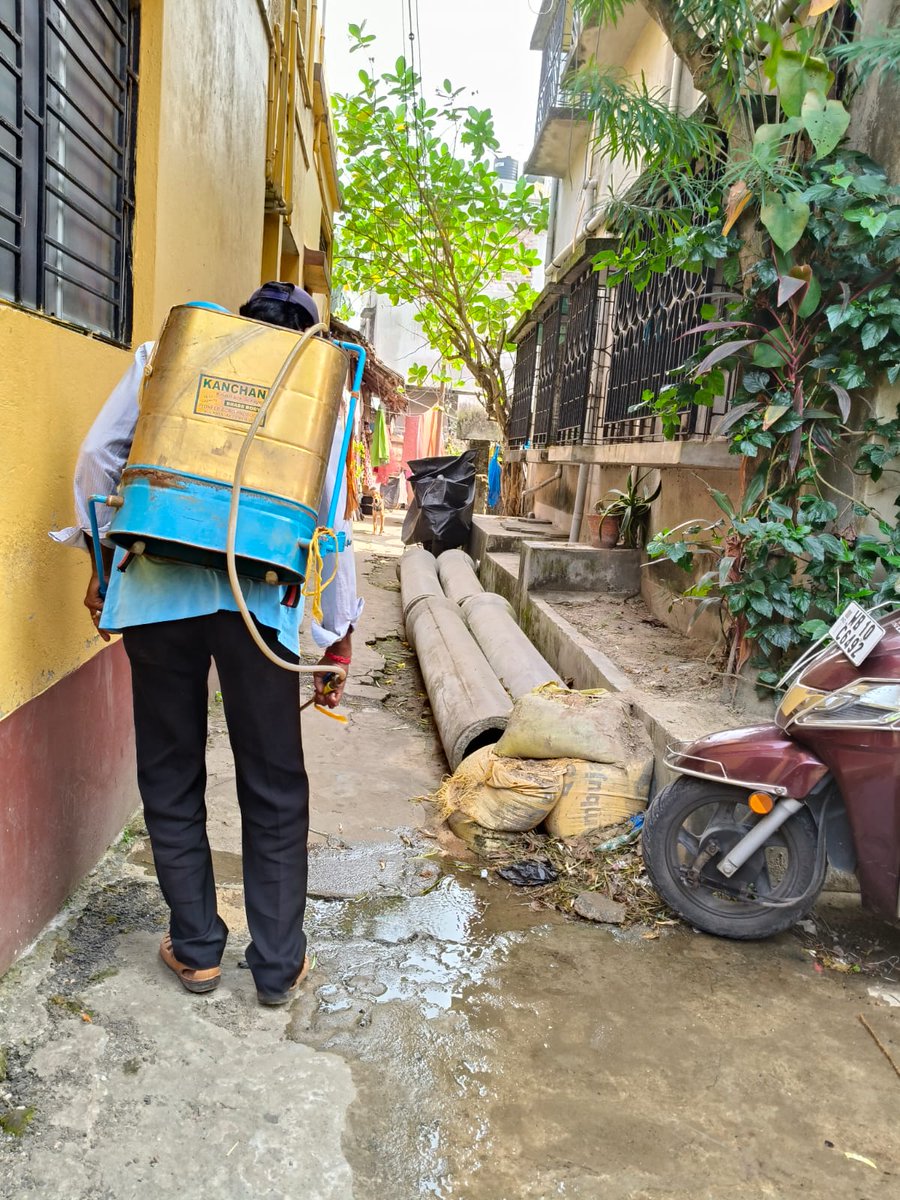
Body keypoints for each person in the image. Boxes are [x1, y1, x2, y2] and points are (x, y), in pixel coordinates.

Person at [51, 283, 362, 1006]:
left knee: (170, 768)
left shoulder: (170, 354)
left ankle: (195, 951)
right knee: (273, 782)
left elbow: (98, 458)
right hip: (259, 605)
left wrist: (102, 562)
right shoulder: (318, 385)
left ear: (243, 324)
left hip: (158, 591)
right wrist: (334, 638)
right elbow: (330, 518)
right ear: (305, 339)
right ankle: (278, 965)